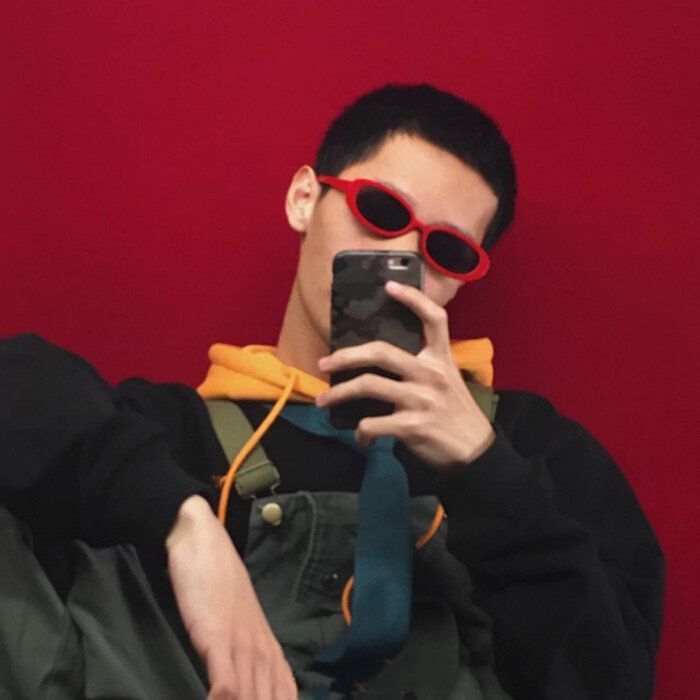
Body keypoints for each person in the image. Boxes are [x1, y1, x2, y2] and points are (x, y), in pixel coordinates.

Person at [0, 84, 664, 700]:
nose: (404, 260)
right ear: (303, 199)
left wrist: (485, 468)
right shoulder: (170, 430)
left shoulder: (535, 447)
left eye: (448, 250)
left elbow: (611, 682)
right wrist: (187, 524)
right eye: (381, 210)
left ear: (462, 281)